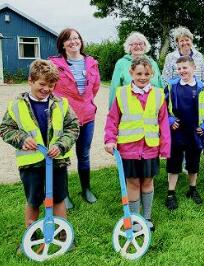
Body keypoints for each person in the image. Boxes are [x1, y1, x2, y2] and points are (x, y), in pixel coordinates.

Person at [0, 59, 79, 250]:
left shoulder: (61, 104)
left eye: (51, 85)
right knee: (33, 199)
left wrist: (61, 145)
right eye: (42, 84)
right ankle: (30, 236)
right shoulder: (16, 106)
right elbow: (5, 129)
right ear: (31, 81)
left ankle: (63, 235)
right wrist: (20, 138)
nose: (46, 89)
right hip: (31, 165)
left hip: (57, 162)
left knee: (59, 198)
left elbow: (73, 127)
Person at [104, 56, 170, 230]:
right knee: (132, 182)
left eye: (147, 74)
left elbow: (163, 122)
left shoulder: (158, 94)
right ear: (131, 73)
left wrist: (165, 146)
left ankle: (146, 218)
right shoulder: (122, 93)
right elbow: (112, 120)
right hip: (128, 149)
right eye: (139, 73)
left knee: (147, 182)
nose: (142, 77)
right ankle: (134, 219)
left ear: (152, 74)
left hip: (150, 148)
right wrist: (110, 139)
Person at [49, 28, 101, 207]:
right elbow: (50, 89)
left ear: (81, 41)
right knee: (62, 155)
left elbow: (94, 88)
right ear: (62, 44)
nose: (73, 42)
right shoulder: (54, 65)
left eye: (76, 38)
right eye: (69, 39)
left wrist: (85, 103)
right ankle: (64, 195)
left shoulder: (91, 63)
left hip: (87, 116)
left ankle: (86, 189)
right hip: (64, 118)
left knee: (84, 155)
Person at [165, 55, 204, 210]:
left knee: (193, 163)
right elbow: (161, 109)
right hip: (176, 132)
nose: (182, 71)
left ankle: (192, 189)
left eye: (185, 68)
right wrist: (170, 121)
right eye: (179, 68)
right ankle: (171, 193)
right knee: (174, 163)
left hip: (194, 133)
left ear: (194, 68)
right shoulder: (171, 86)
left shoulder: (202, 88)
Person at [108, 32, 164, 109]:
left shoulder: (152, 63)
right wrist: (112, 109)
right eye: (134, 44)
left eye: (141, 44)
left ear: (145, 46)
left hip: (152, 107)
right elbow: (115, 87)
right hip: (129, 107)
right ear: (129, 47)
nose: (138, 46)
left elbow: (160, 86)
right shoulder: (121, 63)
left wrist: (164, 108)